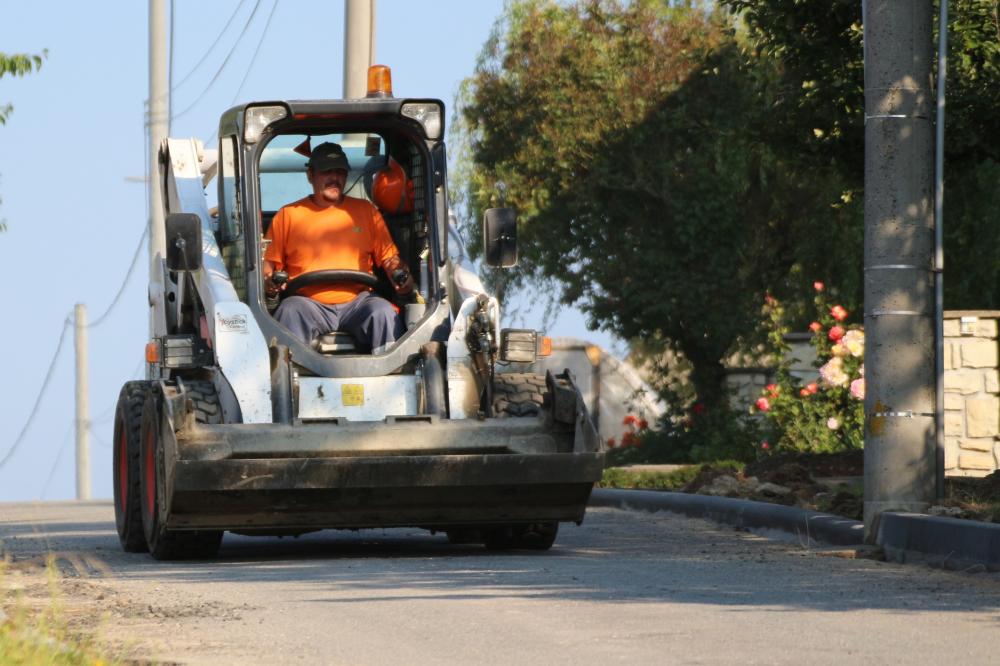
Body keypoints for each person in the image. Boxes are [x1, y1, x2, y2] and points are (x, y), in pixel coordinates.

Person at [263, 142, 414, 351]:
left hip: (358, 303)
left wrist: (400, 274)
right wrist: (269, 283)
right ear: (310, 175)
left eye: (340, 172)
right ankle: (287, 379)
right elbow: (268, 267)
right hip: (307, 304)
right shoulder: (288, 215)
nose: (335, 178)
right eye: (327, 172)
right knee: (289, 311)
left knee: (383, 312)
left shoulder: (366, 211)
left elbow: (390, 259)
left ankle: (394, 379)